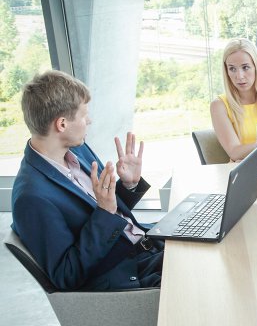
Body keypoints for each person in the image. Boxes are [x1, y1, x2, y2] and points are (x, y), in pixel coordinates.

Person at [11, 70, 163, 291]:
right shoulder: (31, 197)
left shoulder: (79, 150)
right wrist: (104, 212)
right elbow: (67, 275)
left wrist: (129, 184)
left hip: (146, 243)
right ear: (62, 124)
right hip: (129, 271)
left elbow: (101, 210)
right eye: (84, 115)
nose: (89, 121)